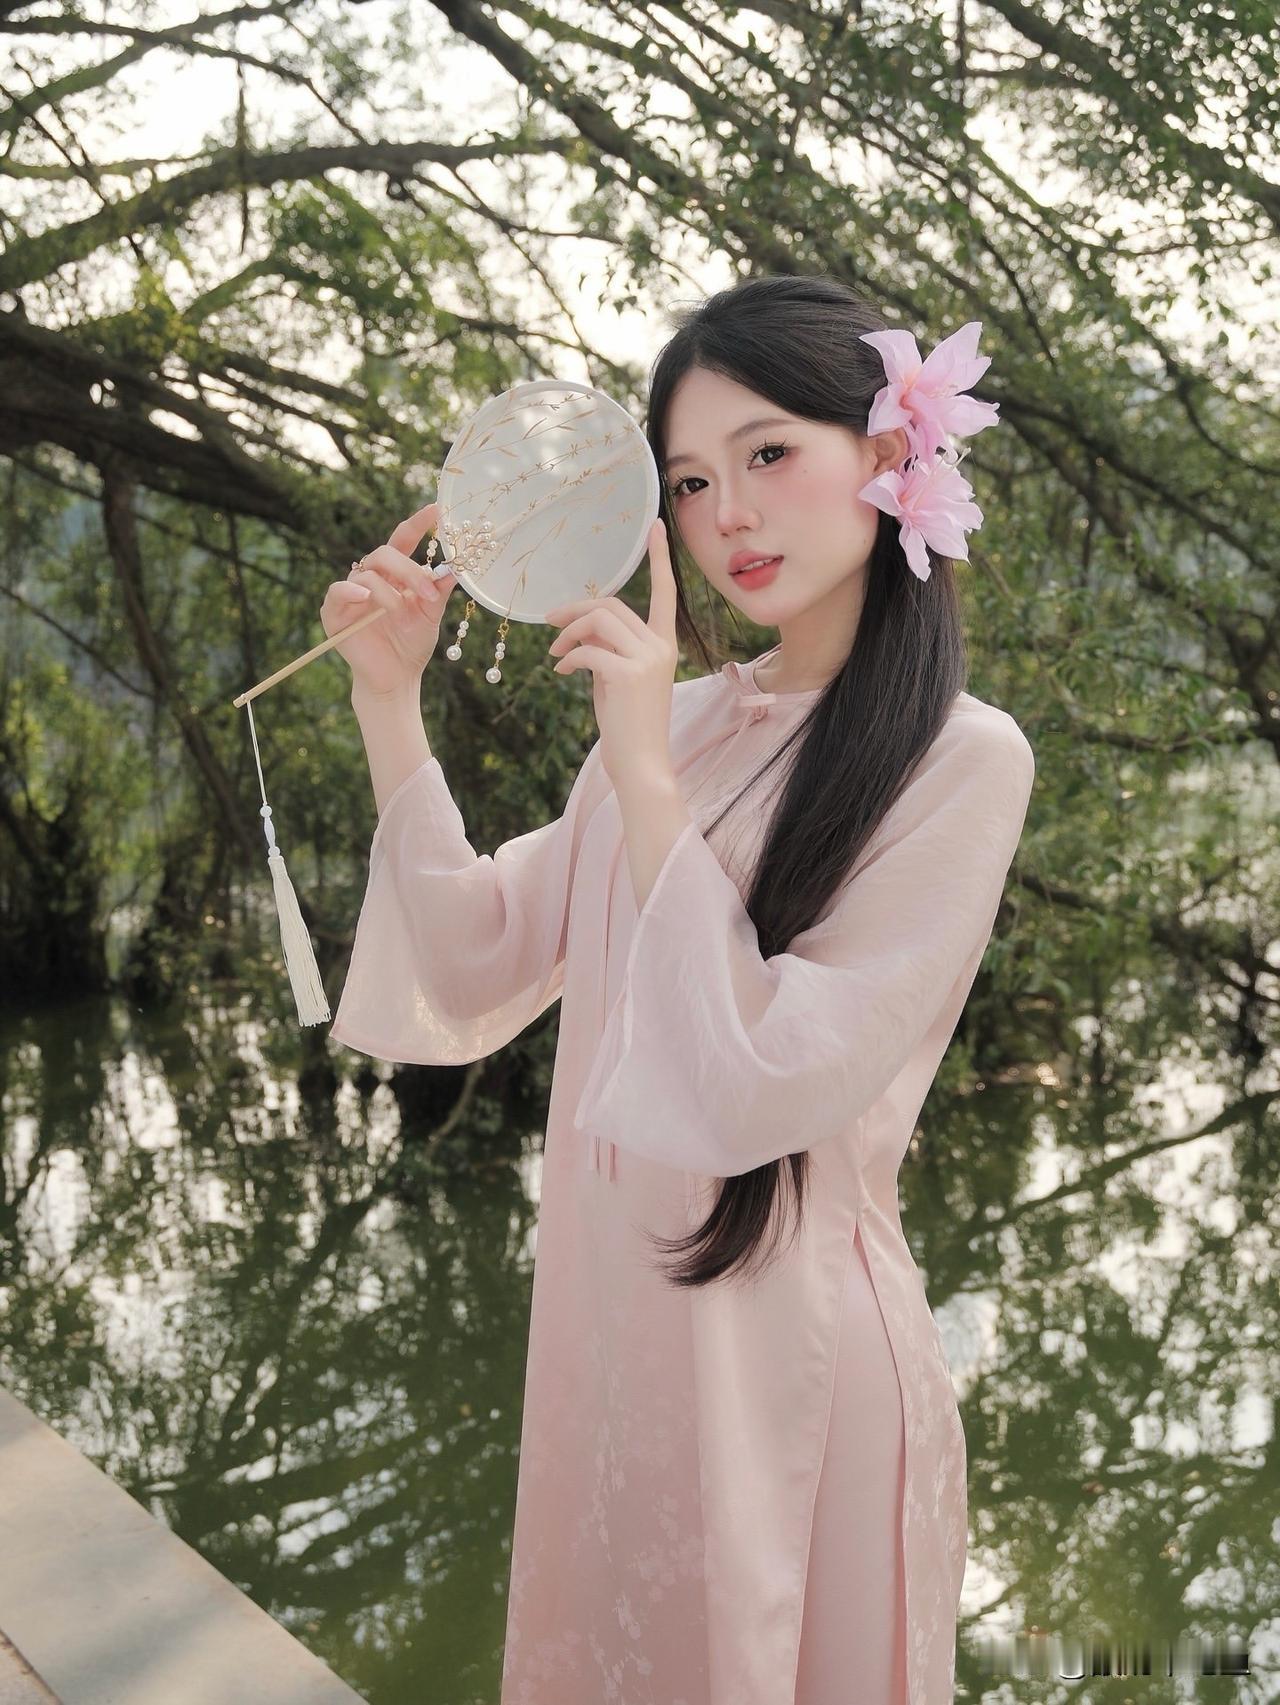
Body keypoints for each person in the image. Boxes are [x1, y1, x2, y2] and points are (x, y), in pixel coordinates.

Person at [322, 274, 1035, 1705]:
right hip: (617, 1330)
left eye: (770, 452)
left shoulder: (961, 758)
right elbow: (476, 958)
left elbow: (771, 1073)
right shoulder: (684, 716)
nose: (731, 516)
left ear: (890, 452)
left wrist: (644, 767)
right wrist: (389, 702)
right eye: (694, 480)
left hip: (792, 1352)